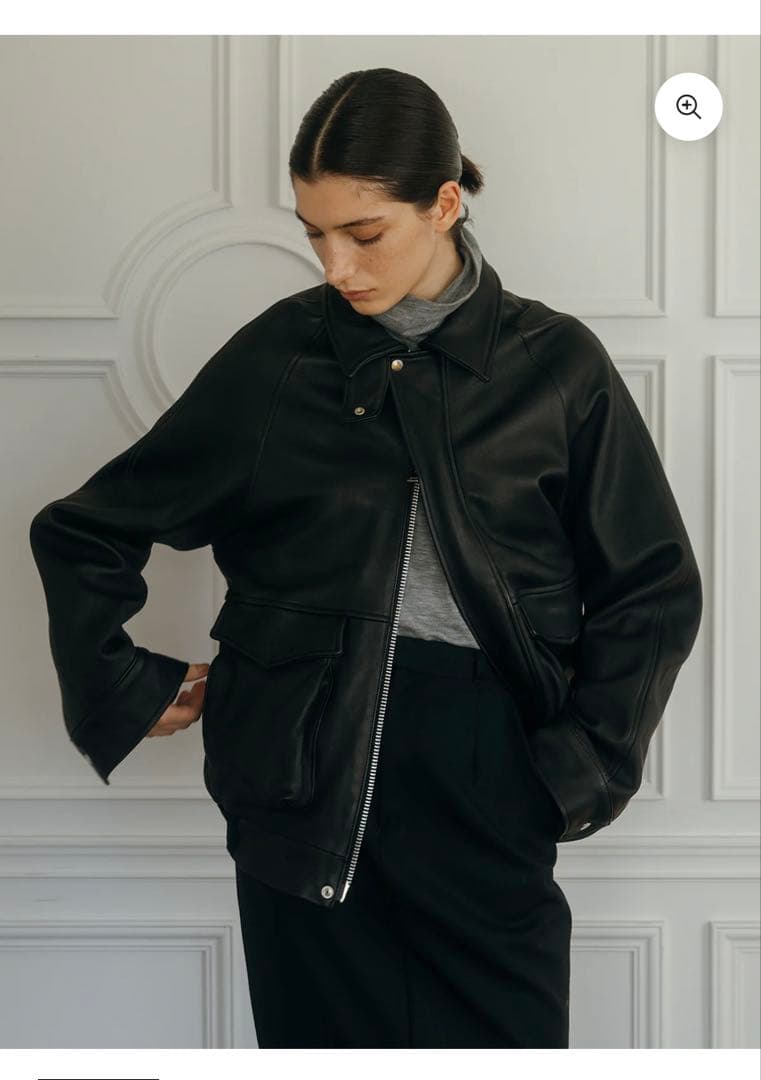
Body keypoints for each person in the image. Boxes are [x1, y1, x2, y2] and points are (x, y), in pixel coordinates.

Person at [28, 67, 703, 1049]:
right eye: (315, 234)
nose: (337, 266)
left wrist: (578, 769)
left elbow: (649, 585)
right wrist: (126, 681)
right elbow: (85, 528)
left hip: (484, 768)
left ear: (443, 203)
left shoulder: (553, 367)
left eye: (364, 232)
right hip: (297, 770)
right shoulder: (279, 359)